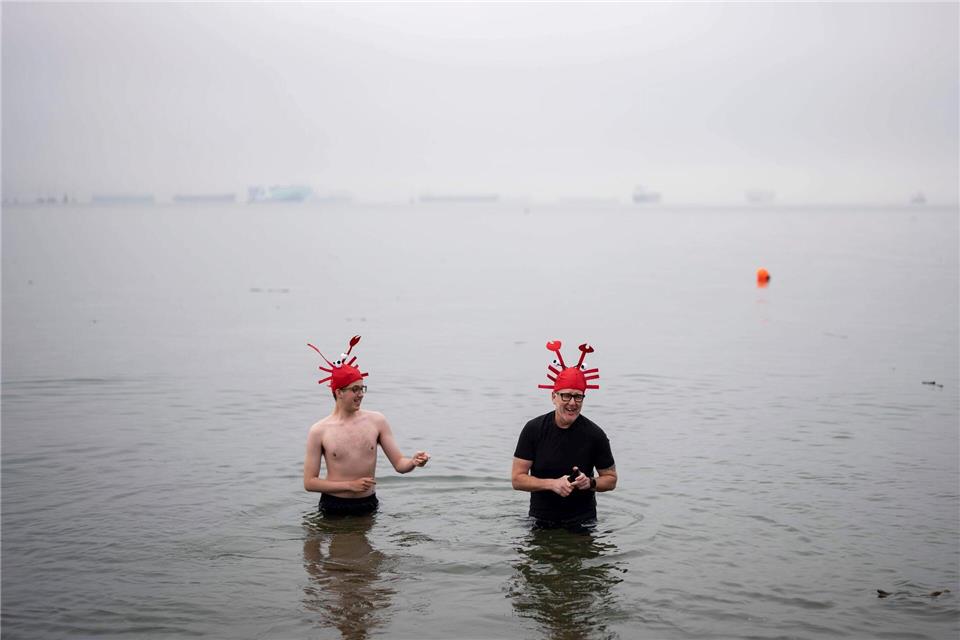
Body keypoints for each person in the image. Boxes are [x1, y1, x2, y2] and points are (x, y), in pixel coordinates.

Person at [304, 335, 430, 515]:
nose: (361, 394)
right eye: (355, 389)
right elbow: (309, 483)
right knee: (338, 543)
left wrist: (414, 462)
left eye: (362, 388)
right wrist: (349, 486)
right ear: (339, 392)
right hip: (334, 505)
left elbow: (400, 464)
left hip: (368, 504)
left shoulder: (376, 421)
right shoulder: (319, 430)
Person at [512, 340, 617, 527]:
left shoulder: (595, 435)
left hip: (583, 523)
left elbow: (610, 480)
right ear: (553, 396)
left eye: (578, 396)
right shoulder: (533, 429)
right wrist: (552, 484)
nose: (572, 403)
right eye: (566, 395)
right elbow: (517, 479)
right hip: (540, 521)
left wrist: (590, 483)